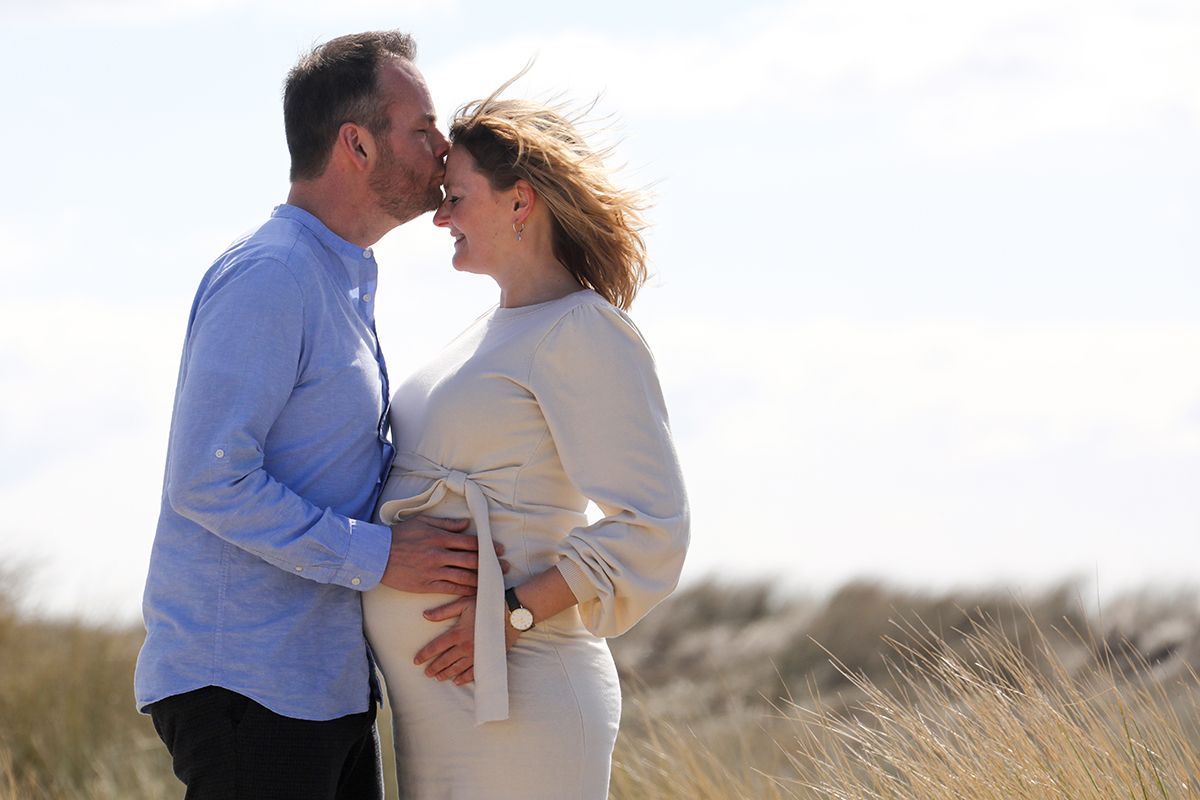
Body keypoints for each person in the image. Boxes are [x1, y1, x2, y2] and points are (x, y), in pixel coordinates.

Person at [134, 31, 497, 800]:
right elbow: (208, 480)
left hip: (322, 686)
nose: (443, 146)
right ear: (356, 144)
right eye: (423, 127)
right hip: (245, 687)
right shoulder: (274, 274)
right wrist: (380, 556)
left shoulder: (338, 274)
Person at [362, 86, 690, 799]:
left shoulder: (583, 330)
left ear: (521, 201)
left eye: (457, 195)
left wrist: (510, 614)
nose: (439, 215)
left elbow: (653, 527)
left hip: (523, 692)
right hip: (446, 704)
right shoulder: (488, 332)